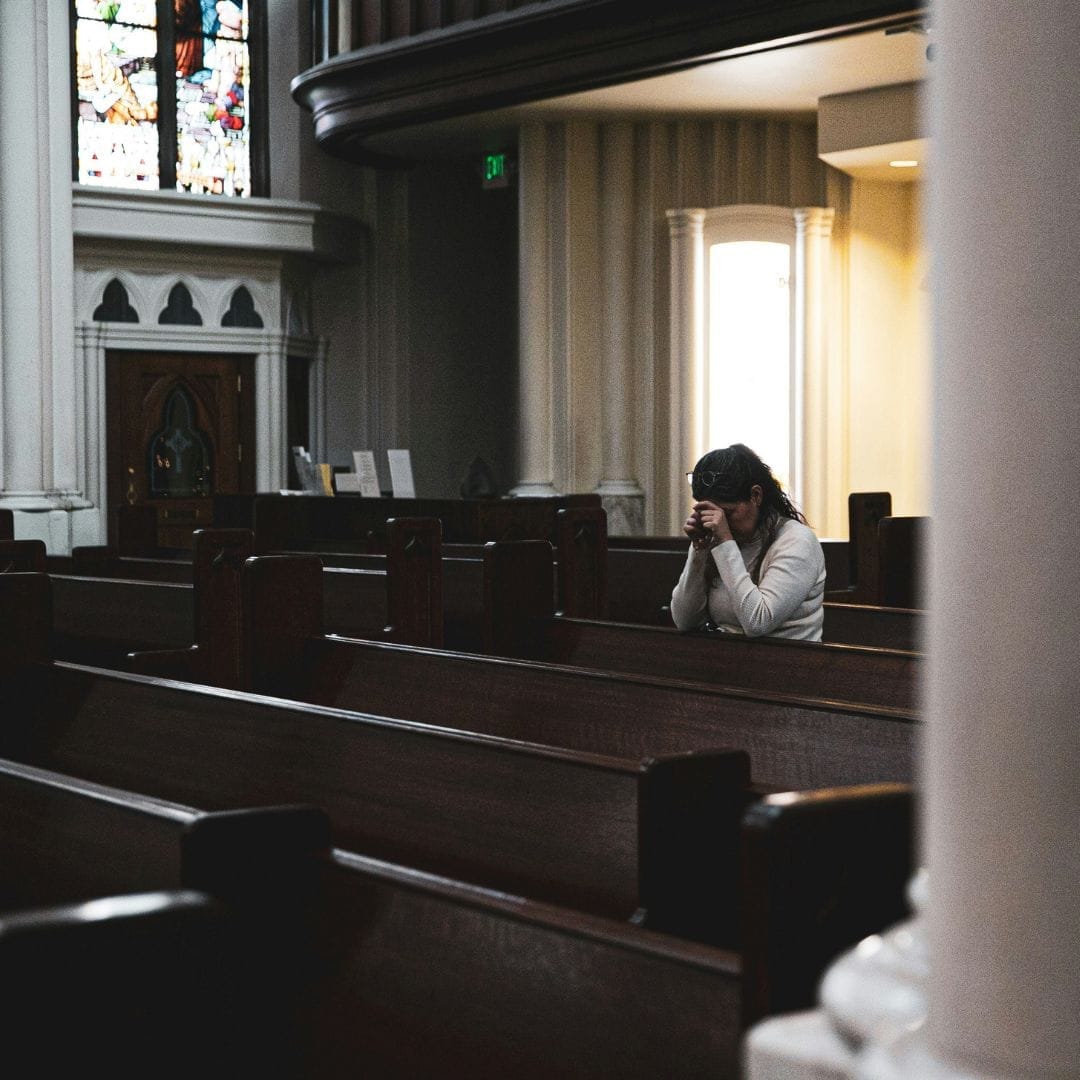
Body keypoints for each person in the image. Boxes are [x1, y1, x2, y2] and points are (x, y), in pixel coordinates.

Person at [670, 444, 826, 640]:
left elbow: (758, 623)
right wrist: (699, 549)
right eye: (708, 514)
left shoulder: (797, 541)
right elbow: (684, 621)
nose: (718, 523)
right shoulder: (718, 538)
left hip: (789, 664)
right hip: (731, 662)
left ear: (755, 495)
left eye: (727, 513)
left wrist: (725, 542)